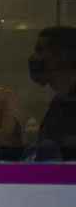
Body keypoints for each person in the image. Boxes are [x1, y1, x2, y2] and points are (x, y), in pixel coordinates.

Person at [29, 26, 76, 161]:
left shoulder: (68, 101)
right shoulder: (60, 101)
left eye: (39, 50)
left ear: (64, 56)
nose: (33, 58)